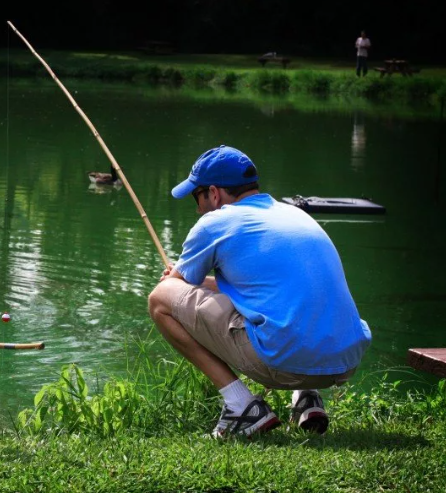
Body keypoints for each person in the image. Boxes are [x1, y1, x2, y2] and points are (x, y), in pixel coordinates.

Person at [147, 145, 371, 438]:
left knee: (159, 300)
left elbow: (172, 286)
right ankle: (308, 398)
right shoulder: (295, 214)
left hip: (285, 365)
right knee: (284, 298)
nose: (197, 207)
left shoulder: (215, 222)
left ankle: (241, 407)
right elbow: (260, 289)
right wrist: (196, 281)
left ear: (213, 193)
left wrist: (175, 279)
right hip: (343, 361)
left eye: (196, 196)